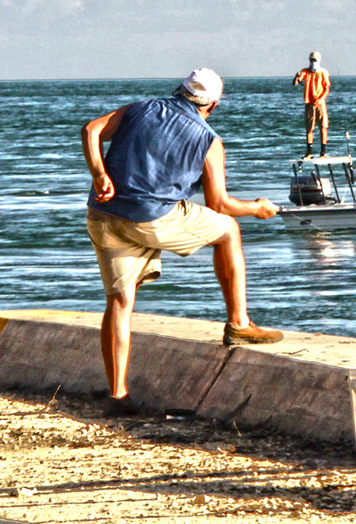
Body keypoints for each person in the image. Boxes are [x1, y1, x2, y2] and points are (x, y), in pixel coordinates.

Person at [81, 68, 282, 417]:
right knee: (228, 230)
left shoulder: (140, 107)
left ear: (179, 90)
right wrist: (257, 208)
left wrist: (99, 173)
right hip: (151, 218)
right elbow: (219, 203)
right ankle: (238, 324)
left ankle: (118, 395)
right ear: (213, 105)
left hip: (103, 213)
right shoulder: (208, 139)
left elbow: (91, 129)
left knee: (120, 301)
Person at [292, 51, 331, 157]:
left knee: (323, 127)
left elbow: (327, 89)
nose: (313, 62)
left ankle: (323, 152)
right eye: (311, 60)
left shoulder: (323, 72)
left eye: (315, 60)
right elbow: (295, 83)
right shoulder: (305, 71)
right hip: (309, 103)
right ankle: (309, 152)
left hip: (320, 103)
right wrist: (297, 77)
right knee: (309, 128)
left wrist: (321, 98)